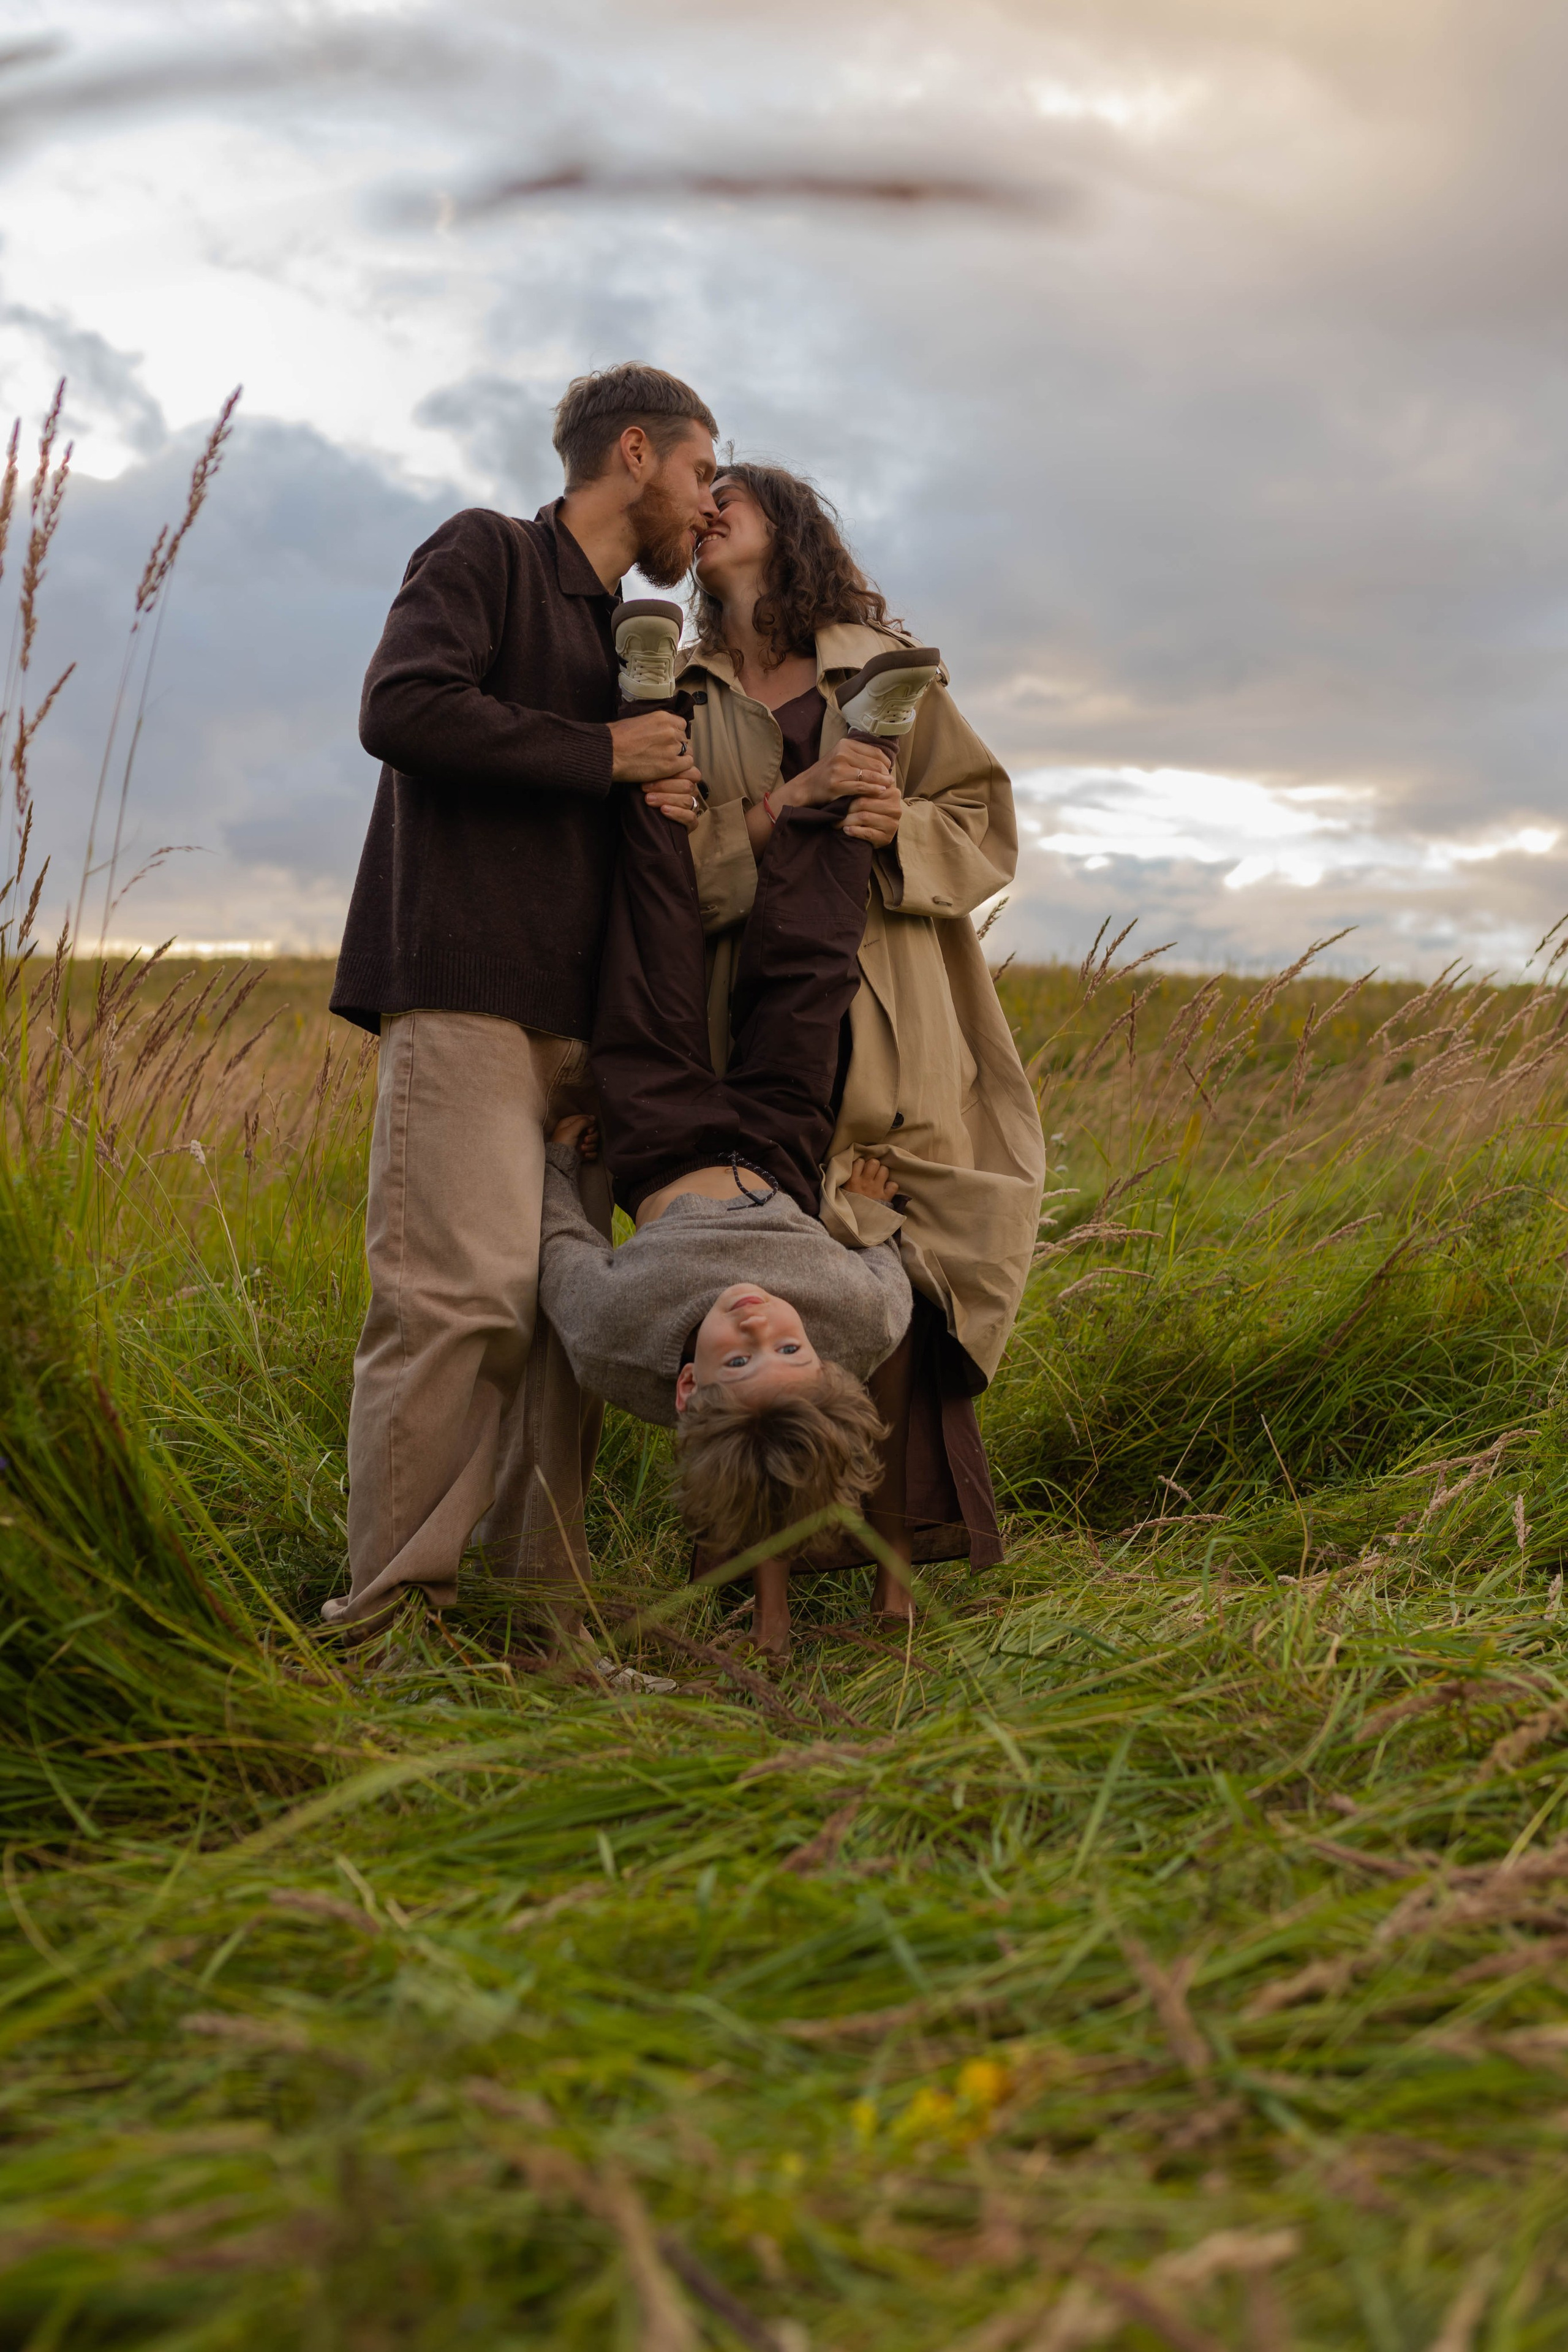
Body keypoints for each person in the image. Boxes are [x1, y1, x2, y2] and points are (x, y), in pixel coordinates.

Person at [322, 363, 719, 1632]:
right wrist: (601, 753)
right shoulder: (484, 552)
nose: (709, 509)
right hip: (467, 992)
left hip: (589, 1032)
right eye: (704, 474)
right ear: (637, 452)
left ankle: (541, 1633)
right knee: (456, 1303)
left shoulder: (635, 641)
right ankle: (391, 1632)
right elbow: (402, 706)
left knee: (566, 1328)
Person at [677, 463, 1046, 1653]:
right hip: (749, 1020)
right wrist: (781, 810)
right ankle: (761, 1592)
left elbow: (983, 824)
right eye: (703, 490)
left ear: (789, 527)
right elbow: (662, 876)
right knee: (762, 1283)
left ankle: (897, 1587)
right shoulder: (674, 694)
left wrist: (903, 828)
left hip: (892, 1010)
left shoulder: (886, 670)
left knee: (901, 1281)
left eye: (734, 488)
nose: (710, 503)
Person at [537, 626, 949, 1660]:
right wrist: (877, 1204)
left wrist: (565, 1164)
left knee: (654, 954)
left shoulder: (617, 1339)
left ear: (688, 1388)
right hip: (780, 1151)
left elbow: (561, 1254)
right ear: (824, 1365)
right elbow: (885, 1276)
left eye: (739, 1354)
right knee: (807, 970)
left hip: (662, 1138)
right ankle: (867, 747)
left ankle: (649, 719)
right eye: (789, 1349)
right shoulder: (851, 1324)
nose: (765, 1323)